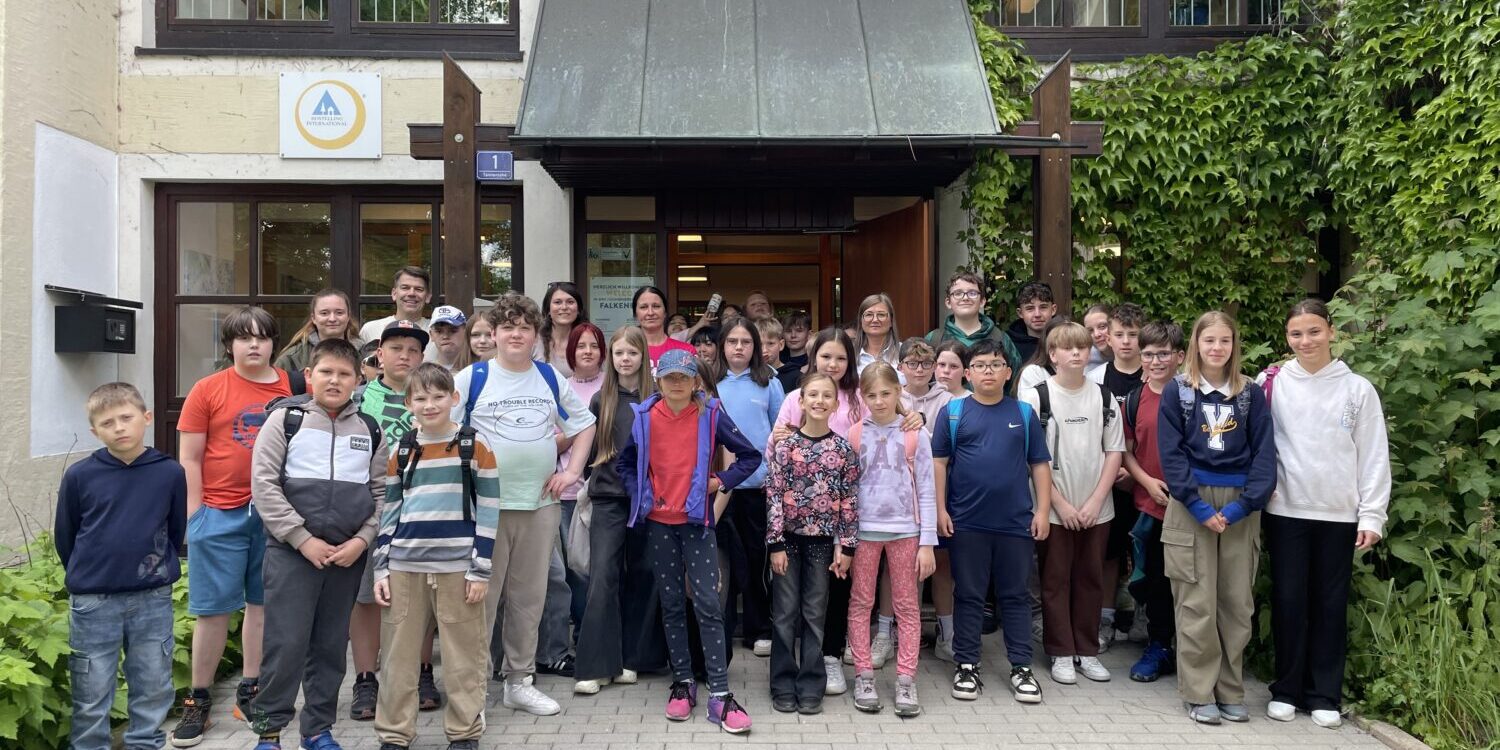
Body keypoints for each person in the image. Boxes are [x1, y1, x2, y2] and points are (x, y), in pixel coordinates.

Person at [454, 292, 596, 716]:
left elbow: (585, 425)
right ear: (494, 333)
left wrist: (572, 472)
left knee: (528, 599)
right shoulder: (472, 378)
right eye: (508, 327)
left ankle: (519, 681)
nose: (516, 334)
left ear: (536, 335)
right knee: (480, 600)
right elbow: (443, 430)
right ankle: (473, 691)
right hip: (485, 509)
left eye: (524, 327)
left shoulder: (549, 377)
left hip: (540, 505)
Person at [248, 338, 387, 750]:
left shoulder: (370, 429)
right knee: (285, 645)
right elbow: (264, 486)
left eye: (345, 374)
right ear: (310, 375)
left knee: (329, 648)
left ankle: (317, 730)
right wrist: (302, 538)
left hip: (346, 557)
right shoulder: (285, 420)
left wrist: (362, 540)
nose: (335, 380)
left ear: (358, 380)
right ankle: (269, 732)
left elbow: (382, 493)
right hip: (292, 554)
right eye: (326, 372)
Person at [768, 328, 922, 695]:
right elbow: (775, 451)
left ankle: (830, 657)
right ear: (814, 359)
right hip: (796, 519)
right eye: (826, 356)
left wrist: (913, 416)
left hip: (845, 518)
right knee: (793, 604)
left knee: (834, 595)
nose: (833, 364)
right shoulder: (795, 398)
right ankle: (790, 673)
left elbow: (888, 411)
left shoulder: (858, 398)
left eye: (840, 357)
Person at [618, 349, 761, 734]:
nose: (677, 383)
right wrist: (640, 494)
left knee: (708, 604)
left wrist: (721, 482)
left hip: (697, 524)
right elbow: (626, 464)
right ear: (659, 381)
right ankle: (682, 682)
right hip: (659, 525)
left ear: (697, 381)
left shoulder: (711, 414)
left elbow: (750, 456)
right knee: (671, 605)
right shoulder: (645, 416)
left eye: (684, 376)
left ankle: (720, 693)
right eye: (670, 377)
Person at [1263, 299, 1390, 729]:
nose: (1306, 341)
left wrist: (1372, 515)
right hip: (1285, 509)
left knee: (1330, 604)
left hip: (1339, 514)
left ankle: (1324, 695)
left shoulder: (1358, 389)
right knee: (1288, 600)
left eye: (1314, 331)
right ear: (1287, 337)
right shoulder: (1272, 382)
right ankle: (1286, 690)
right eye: (1296, 333)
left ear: (1332, 332)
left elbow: (1373, 455)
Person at [171, 306, 289, 747]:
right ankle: (198, 700)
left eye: (262, 337)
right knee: (213, 611)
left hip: (274, 514)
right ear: (229, 345)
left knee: (262, 606)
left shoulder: (293, 387)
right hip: (219, 513)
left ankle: (251, 690)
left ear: (274, 343)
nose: (254, 344)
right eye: (244, 337)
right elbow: (189, 458)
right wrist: (196, 515)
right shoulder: (207, 389)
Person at [371, 363, 500, 750]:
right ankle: (395, 734)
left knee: (464, 656)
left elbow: (489, 509)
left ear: (454, 398)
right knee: (397, 657)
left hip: (458, 569)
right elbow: (390, 510)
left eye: (438, 396)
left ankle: (463, 732)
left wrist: (480, 569)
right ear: (408, 403)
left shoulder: (475, 445)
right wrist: (381, 567)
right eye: (421, 398)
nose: (430, 405)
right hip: (404, 567)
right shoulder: (401, 449)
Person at [1156, 310, 1276, 725]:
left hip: (1239, 506)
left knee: (1236, 602)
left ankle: (1230, 689)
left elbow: (1265, 454)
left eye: (1225, 340)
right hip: (1192, 504)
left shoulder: (1250, 394)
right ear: (1196, 344)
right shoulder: (1179, 392)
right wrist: (1199, 507)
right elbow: (1171, 455)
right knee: (1196, 601)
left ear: (1234, 345)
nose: (1217, 348)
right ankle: (1198, 691)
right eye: (1209, 340)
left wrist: (1244, 506)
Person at [57, 382, 185, 750]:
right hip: (94, 601)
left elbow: (175, 529)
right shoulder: (80, 475)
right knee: (91, 687)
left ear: (146, 418)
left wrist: (153, 569)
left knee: (153, 683)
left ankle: (145, 743)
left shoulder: (169, 472)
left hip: (152, 597)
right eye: (107, 423)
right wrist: (91, 573)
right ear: (95, 431)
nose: (119, 428)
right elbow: (66, 535)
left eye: (126, 418)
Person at [933, 338, 1051, 705]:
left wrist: (1043, 511)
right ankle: (967, 664)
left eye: (995, 364)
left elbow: (1039, 465)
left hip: (1015, 523)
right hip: (967, 521)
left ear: (1008, 372)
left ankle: (1021, 667)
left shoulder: (1024, 414)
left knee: (1015, 595)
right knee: (968, 594)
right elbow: (939, 463)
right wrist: (940, 510)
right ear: (968, 373)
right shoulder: (953, 413)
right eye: (981, 365)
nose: (988, 371)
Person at [1020, 322, 1124, 686]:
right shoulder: (1036, 397)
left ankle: (1087, 650)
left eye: (1082, 347)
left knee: (1090, 579)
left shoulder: (1105, 398)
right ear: (1053, 355)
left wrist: (1096, 501)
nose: (1077, 353)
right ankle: (1061, 651)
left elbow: (1114, 452)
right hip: (1053, 508)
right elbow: (1032, 459)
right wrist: (1059, 505)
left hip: (1097, 509)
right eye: (1068, 348)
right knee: (1055, 579)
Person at [764, 372, 861, 716]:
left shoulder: (844, 450)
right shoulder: (786, 447)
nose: (820, 401)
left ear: (836, 405)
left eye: (827, 396)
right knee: (785, 613)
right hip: (788, 542)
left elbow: (849, 501)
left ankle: (810, 682)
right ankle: (782, 682)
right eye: (813, 395)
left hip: (823, 544)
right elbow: (774, 496)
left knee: (814, 614)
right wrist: (775, 543)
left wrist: (846, 545)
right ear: (801, 402)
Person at [574, 326, 664, 695]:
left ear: (644, 357)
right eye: (619, 353)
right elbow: (588, 453)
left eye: (632, 353)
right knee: (603, 578)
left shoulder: (657, 400)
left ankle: (633, 659)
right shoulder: (601, 399)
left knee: (644, 575)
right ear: (610, 358)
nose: (625, 359)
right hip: (608, 498)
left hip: (648, 500)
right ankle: (597, 665)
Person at [350, 319, 431, 721]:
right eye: (396, 348)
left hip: (423, 506)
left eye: (413, 350)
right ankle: (366, 677)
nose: (405, 356)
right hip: (370, 507)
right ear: (379, 354)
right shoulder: (358, 398)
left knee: (421, 595)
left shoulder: (432, 396)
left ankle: (423, 671)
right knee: (366, 595)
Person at [847, 363, 937, 717]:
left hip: (906, 531)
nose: (879, 401)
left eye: (886, 393)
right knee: (861, 602)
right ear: (862, 397)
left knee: (907, 606)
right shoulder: (855, 434)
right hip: (864, 532)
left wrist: (927, 542)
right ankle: (864, 674)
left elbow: (927, 488)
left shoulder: (916, 434)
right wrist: (843, 539)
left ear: (899, 392)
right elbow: (846, 492)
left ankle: (906, 678)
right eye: (871, 395)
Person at [536, 322, 607, 678]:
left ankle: (588, 638)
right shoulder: (557, 388)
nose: (587, 352)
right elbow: (548, 440)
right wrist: (577, 432)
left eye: (594, 346)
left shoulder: (611, 386)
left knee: (589, 571)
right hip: (560, 491)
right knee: (562, 574)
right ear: (570, 352)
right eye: (581, 346)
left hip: (598, 492)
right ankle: (557, 647)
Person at [715, 318, 786, 658]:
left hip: (757, 485)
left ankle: (759, 628)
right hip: (718, 486)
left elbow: (780, 432)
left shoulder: (768, 381)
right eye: (733, 341)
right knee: (722, 560)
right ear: (722, 345)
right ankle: (723, 627)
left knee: (757, 559)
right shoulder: (711, 382)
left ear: (755, 347)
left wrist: (774, 478)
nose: (739, 347)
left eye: (746, 341)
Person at [1124, 321, 1185, 683]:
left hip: (1190, 505)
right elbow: (1127, 451)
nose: (1156, 361)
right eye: (1148, 354)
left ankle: (1191, 649)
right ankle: (1159, 646)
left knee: (1189, 581)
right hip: (1151, 504)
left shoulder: (1194, 395)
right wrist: (1146, 481)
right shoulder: (1136, 399)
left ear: (1180, 356)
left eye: (1164, 354)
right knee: (1157, 580)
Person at [1089, 302, 1146, 652]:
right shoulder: (1097, 378)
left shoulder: (1155, 374)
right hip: (1107, 480)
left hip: (1146, 481)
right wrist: (1112, 471)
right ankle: (1105, 619)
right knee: (1109, 554)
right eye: (1119, 334)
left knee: (1145, 551)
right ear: (1107, 337)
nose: (1126, 342)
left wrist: (1136, 473)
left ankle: (1143, 615)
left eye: (1133, 335)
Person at [925, 271, 1022, 371]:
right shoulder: (934, 339)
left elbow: (1015, 377)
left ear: (982, 301)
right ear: (948, 302)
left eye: (972, 293)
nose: (965, 298)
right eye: (958, 293)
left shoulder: (1000, 339)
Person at [274, 289, 363, 375]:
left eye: (339, 313)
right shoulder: (291, 359)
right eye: (324, 313)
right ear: (313, 318)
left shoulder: (364, 355)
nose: (332, 319)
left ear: (348, 316)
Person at [359, 266, 438, 360]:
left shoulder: (438, 333)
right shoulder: (370, 329)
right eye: (405, 288)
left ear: (428, 296)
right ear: (394, 293)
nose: (411, 293)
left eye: (419, 289)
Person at [633, 285, 696, 367]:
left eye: (656, 306)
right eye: (643, 307)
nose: (650, 312)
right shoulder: (625, 351)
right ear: (635, 314)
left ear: (665, 312)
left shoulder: (686, 350)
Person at [537, 281, 586, 377]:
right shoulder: (534, 340)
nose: (564, 307)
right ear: (548, 309)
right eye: (557, 302)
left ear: (578, 309)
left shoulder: (590, 339)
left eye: (570, 302)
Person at [1007, 281, 1058, 364]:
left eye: (1043, 307)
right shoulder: (1008, 345)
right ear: (1020, 313)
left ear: (1053, 310)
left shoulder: (1067, 339)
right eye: (1030, 308)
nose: (1037, 314)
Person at [853, 293, 901, 374]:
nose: (875, 320)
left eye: (881, 315)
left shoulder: (904, 353)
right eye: (869, 315)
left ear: (891, 321)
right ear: (861, 321)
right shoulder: (849, 354)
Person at [757, 317, 802, 395]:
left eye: (770, 343)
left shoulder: (797, 377)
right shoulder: (749, 375)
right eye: (759, 344)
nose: (764, 350)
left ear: (781, 345)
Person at [428, 305, 469, 372]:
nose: (445, 336)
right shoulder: (423, 373)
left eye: (453, 331)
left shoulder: (477, 368)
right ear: (431, 335)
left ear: (465, 332)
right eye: (439, 331)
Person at [1082, 303, 1113, 376]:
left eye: (1102, 326)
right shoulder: (1084, 360)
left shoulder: (1134, 354)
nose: (1096, 334)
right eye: (1090, 330)